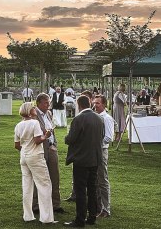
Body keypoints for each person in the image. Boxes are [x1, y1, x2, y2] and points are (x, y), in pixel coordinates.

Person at [64, 95, 104, 227]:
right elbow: (102, 136)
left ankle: (80, 219)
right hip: (95, 158)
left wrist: (66, 136)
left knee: (80, 190)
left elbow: (71, 139)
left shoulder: (78, 119)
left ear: (79, 105)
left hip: (81, 159)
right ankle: (92, 217)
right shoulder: (99, 118)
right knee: (92, 188)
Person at [14, 102, 55, 224]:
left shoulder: (18, 125)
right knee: (44, 185)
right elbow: (38, 140)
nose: (35, 109)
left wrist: (26, 150)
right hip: (36, 157)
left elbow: (17, 145)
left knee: (27, 186)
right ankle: (47, 218)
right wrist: (46, 135)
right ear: (29, 111)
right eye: (33, 107)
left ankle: (28, 216)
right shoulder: (35, 122)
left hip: (24, 157)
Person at [32, 93, 64, 215]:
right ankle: (36, 205)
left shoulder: (49, 113)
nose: (48, 105)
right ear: (38, 103)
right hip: (39, 148)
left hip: (51, 148)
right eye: (46, 103)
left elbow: (52, 129)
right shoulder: (34, 115)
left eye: (49, 102)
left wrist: (54, 144)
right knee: (39, 177)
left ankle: (55, 204)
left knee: (55, 176)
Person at [92, 95, 114, 218]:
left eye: (98, 103)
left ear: (104, 104)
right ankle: (98, 207)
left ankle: (106, 209)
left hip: (101, 151)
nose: (95, 105)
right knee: (95, 180)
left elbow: (108, 137)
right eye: (94, 103)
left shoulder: (107, 118)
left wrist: (95, 144)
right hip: (93, 151)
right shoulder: (95, 116)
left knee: (102, 180)